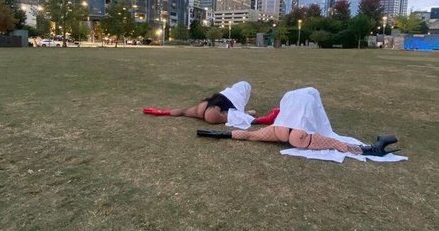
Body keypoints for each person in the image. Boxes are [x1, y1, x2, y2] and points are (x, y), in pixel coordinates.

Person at [196, 87, 400, 157]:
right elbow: (317, 121)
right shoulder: (307, 101)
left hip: (279, 130)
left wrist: (219, 133)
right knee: (337, 143)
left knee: (250, 136)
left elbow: (249, 134)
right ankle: (372, 150)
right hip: (299, 136)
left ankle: (218, 135)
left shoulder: (290, 104)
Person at [143, 81, 259, 125]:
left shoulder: (226, 93)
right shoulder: (237, 98)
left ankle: (162, 112)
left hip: (204, 105)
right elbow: (238, 116)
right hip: (213, 113)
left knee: (184, 111)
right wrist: (250, 113)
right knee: (237, 117)